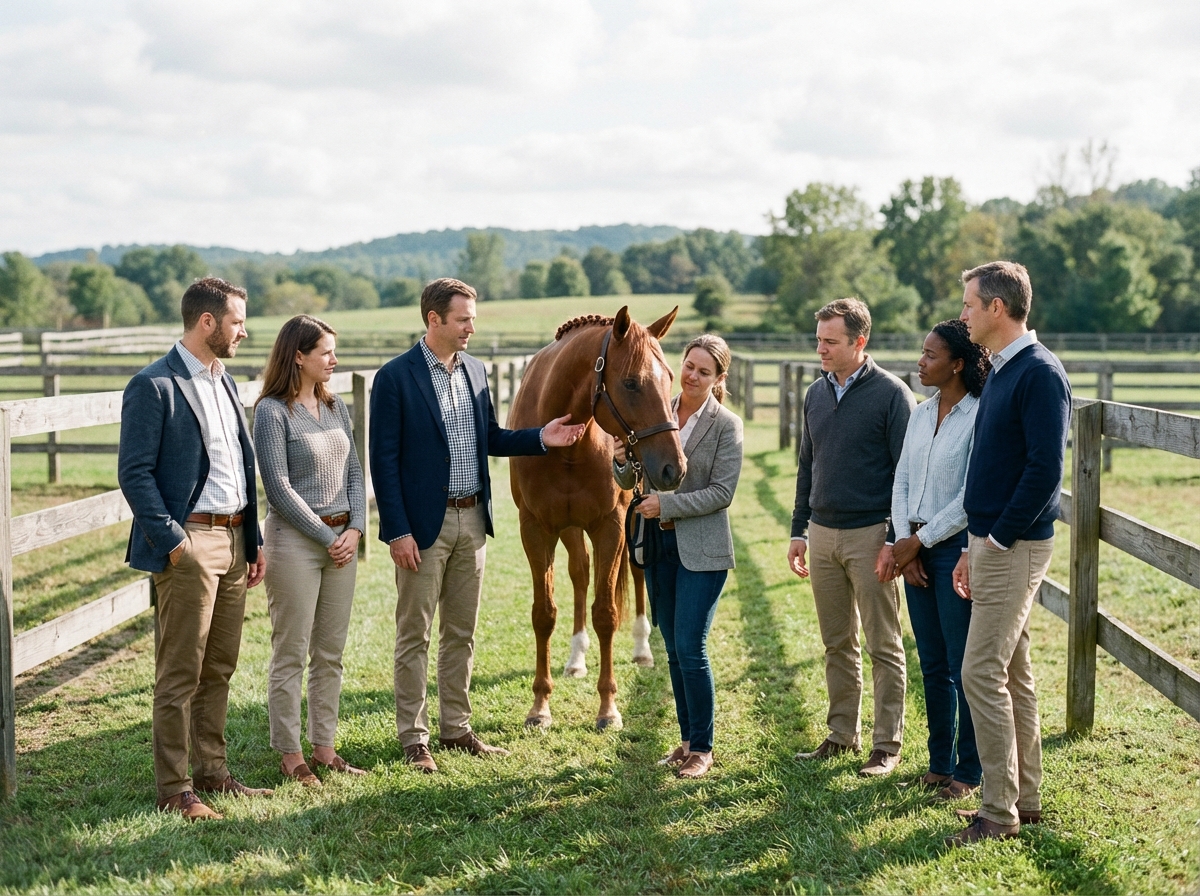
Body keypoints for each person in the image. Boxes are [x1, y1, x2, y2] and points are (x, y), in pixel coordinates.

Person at [369, 277, 586, 773]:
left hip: (473, 520)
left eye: (473, 319)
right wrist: (397, 531)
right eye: (463, 319)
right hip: (422, 527)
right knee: (415, 635)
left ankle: (456, 728)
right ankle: (414, 739)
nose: (471, 328)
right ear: (434, 320)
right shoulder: (395, 377)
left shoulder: (474, 370)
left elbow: (490, 437)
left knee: (462, 633)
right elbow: (383, 461)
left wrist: (542, 437)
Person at [118, 277, 270, 821]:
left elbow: (239, 466)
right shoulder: (153, 385)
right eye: (236, 322)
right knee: (181, 670)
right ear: (207, 322)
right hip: (190, 541)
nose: (243, 332)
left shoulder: (223, 379)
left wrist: (252, 540)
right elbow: (134, 473)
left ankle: (213, 773)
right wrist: (175, 542)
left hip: (235, 537)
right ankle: (174, 789)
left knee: (220, 666)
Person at [946, 261, 1071, 845]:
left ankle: (998, 813)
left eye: (969, 305)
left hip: (1013, 544)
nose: (963, 315)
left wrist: (996, 539)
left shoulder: (1040, 373)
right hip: (990, 539)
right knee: (1013, 672)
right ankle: (1026, 798)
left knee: (980, 671)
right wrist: (974, 542)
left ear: (997, 307)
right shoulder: (1000, 368)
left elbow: (1045, 470)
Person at [787, 297, 915, 777]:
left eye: (830, 341)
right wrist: (799, 530)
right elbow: (807, 465)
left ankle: (886, 745)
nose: (820, 349)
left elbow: (907, 475)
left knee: (884, 644)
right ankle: (842, 735)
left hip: (871, 535)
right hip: (822, 534)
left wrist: (894, 539)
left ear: (860, 341)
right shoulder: (815, 393)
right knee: (836, 642)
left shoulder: (892, 394)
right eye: (818, 340)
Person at [615, 334, 744, 780]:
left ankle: (703, 749)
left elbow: (722, 493)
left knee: (691, 647)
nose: (693, 376)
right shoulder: (657, 412)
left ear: (718, 378)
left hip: (703, 550)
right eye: (689, 366)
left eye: (704, 371)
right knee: (671, 647)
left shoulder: (726, 425)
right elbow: (633, 478)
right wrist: (620, 461)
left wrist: (666, 505)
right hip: (658, 546)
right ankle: (687, 742)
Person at [877, 319, 990, 802]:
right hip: (914, 547)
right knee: (932, 662)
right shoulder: (921, 414)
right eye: (921, 353)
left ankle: (969, 769)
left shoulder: (980, 414)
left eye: (930, 355)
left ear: (957, 364)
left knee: (963, 665)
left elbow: (971, 496)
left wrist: (919, 543)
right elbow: (901, 479)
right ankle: (939, 764)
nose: (920, 362)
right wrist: (905, 542)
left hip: (955, 549)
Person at [254, 315, 367, 787]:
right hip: (296, 544)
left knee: (330, 652)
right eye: (326, 352)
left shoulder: (336, 406)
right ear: (298, 356)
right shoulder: (271, 412)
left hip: (343, 542)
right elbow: (278, 488)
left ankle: (325, 748)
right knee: (291, 652)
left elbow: (355, 471)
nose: (334, 360)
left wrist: (356, 528)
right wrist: (327, 536)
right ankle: (291, 754)